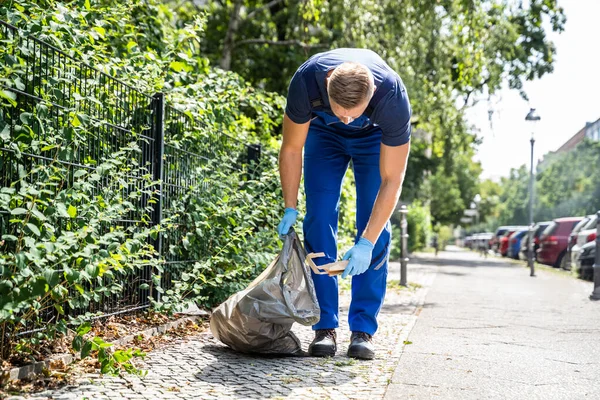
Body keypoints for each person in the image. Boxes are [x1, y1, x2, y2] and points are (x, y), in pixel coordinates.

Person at [276, 48, 411, 360]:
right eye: (341, 111)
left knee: (374, 227)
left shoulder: (392, 98)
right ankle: (325, 327)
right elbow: (293, 148)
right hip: (324, 135)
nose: (348, 120)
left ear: (373, 92)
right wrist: (290, 205)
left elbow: (392, 180)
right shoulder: (307, 82)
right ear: (327, 84)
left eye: (354, 113)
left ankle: (363, 330)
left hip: (374, 138)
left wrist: (365, 242)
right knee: (318, 218)